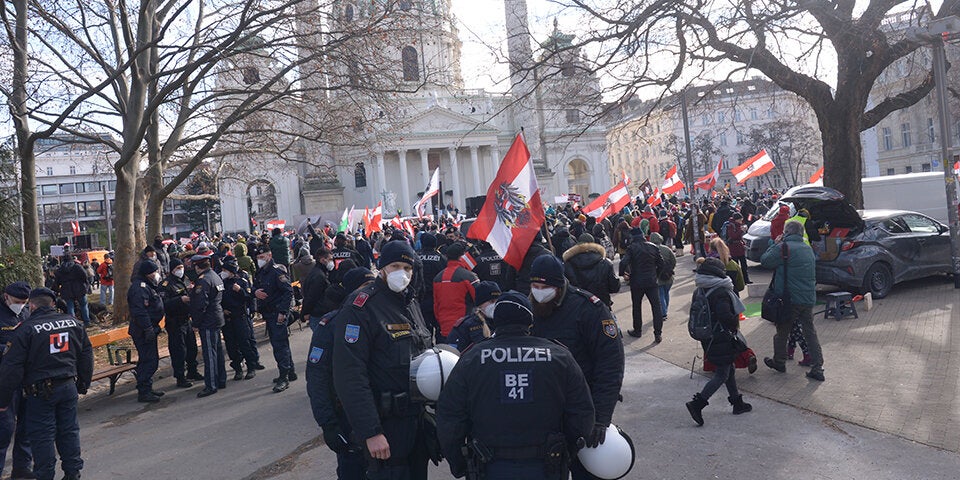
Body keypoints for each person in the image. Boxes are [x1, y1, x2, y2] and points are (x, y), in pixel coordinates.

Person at [436, 291, 595, 480]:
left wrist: (459, 463)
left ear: (497, 320)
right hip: (546, 464)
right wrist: (566, 453)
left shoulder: (472, 358)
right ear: (530, 321)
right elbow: (582, 414)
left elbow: (449, 417)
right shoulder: (559, 356)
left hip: (488, 465)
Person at [333, 240, 434, 480]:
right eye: (395, 266)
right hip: (386, 427)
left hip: (416, 421)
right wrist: (371, 432)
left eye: (407, 268)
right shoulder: (361, 307)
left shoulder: (410, 302)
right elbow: (350, 375)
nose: (402, 273)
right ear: (382, 268)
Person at [527, 255, 625, 480]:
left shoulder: (589, 309)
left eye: (545, 287)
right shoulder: (529, 307)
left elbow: (610, 364)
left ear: (559, 285)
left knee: (588, 472)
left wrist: (601, 417)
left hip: (582, 409)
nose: (539, 292)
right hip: (544, 412)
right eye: (534, 286)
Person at [0, 288, 92, 480]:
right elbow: (86, 355)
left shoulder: (26, 329)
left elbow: (12, 369)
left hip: (40, 392)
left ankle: (45, 474)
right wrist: (83, 384)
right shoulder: (73, 323)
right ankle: (73, 472)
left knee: (42, 436)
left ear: (32, 305)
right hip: (67, 386)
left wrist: (3, 399)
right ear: (52, 304)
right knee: (69, 431)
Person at [305, 267, 376, 480]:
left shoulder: (384, 316)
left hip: (381, 416)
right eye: (366, 287)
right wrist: (328, 424)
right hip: (347, 417)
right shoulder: (332, 325)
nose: (371, 292)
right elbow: (317, 378)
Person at [685, 258, 752, 426]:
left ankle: (737, 403)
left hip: (708, 336)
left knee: (728, 368)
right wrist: (733, 321)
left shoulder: (700, 289)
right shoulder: (720, 291)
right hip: (721, 336)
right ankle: (697, 404)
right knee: (722, 373)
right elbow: (725, 316)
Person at [761, 220, 825, 381]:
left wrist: (774, 244)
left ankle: (779, 361)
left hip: (789, 299)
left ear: (787, 232)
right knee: (810, 333)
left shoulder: (783, 247)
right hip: (808, 297)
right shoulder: (807, 248)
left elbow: (765, 260)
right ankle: (818, 367)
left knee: (782, 333)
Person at [0, 283, 34, 479]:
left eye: (24, 303)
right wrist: (8, 350)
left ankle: (21, 468)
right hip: (4, 378)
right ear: (7, 297)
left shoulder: (25, 313)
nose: (20, 306)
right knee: (4, 429)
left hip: (25, 377)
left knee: (26, 425)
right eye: (17, 302)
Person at [253, 246, 296, 392]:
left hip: (278, 313)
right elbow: (255, 287)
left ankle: (284, 377)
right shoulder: (261, 272)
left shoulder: (276, 271)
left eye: (262, 257)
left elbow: (288, 291)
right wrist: (255, 292)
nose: (260, 260)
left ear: (269, 256)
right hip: (268, 313)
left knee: (279, 346)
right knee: (280, 343)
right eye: (258, 258)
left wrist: (283, 312)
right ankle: (290, 371)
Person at [159, 258, 202, 388]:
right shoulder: (166, 284)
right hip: (175, 321)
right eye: (178, 268)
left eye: (181, 267)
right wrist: (179, 300)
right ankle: (180, 377)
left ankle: (192, 371)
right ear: (172, 270)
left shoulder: (185, 280)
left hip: (186, 319)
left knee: (192, 347)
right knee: (179, 350)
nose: (181, 270)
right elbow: (163, 304)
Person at [189, 255, 227, 397]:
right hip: (216, 317)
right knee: (217, 350)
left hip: (208, 320)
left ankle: (211, 384)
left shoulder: (203, 280)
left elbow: (200, 305)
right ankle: (221, 379)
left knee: (209, 353)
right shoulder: (215, 276)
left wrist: (196, 323)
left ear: (197, 266)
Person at [127, 261, 166, 403]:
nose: (156, 274)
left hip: (149, 328)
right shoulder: (139, 288)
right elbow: (140, 311)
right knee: (149, 361)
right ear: (147, 273)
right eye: (154, 272)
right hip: (143, 330)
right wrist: (148, 328)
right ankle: (144, 391)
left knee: (149, 360)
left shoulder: (148, 286)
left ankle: (147, 387)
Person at [619, 227, 665, 341]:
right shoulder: (653, 247)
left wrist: (623, 274)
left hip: (637, 281)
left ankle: (637, 330)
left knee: (637, 306)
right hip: (651, 280)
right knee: (656, 307)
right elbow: (662, 264)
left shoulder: (631, 248)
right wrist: (656, 274)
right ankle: (658, 333)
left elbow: (623, 262)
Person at [220, 257, 261, 381]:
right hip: (227, 318)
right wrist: (222, 310)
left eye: (225, 270)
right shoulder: (222, 282)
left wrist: (240, 291)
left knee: (245, 342)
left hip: (240, 316)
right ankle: (237, 368)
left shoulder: (241, 281)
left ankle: (251, 366)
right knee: (231, 345)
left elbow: (249, 296)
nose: (223, 272)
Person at [432, 242, 479, 343]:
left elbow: (436, 306)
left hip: (444, 328)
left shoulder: (438, 277)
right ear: (462, 256)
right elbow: (480, 299)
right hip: (466, 328)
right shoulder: (469, 277)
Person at [562, 233, 620, 308]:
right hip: (602, 306)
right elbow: (614, 287)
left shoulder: (568, 264)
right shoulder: (605, 263)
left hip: (578, 309)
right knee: (609, 320)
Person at [445, 281, 500, 352]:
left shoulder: (505, 323)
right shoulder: (466, 326)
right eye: (491, 301)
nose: (495, 305)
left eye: (497, 301)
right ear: (480, 304)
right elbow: (453, 353)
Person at [301, 248, 334, 331]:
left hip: (319, 312)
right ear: (323, 260)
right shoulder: (319, 276)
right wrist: (304, 313)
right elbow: (312, 297)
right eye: (330, 259)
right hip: (319, 314)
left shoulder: (319, 272)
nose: (331, 262)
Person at [54, 256, 90, 327]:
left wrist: (57, 290)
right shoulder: (77, 267)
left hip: (66, 289)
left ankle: (73, 324)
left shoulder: (60, 270)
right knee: (83, 305)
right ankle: (87, 322)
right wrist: (86, 285)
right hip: (79, 288)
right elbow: (84, 276)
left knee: (70, 307)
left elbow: (57, 282)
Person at [649, 232, 676, 320]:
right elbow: (673, 260)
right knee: (666, 293)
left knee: (660, 295)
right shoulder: (667, 249)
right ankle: (665, 310)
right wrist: (670, 269)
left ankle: (663, 313)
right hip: (668, 275)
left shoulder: (650, 250)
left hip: (657, 276)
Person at [724, 213, 751, 284]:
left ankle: (746, 279)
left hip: (739, 246)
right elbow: (733, 236)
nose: (741, 221)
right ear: (737, 219)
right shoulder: (731, 226)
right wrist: (741, 231)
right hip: (734, 247)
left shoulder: (737, 225)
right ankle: (737, 281)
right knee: (736, 266)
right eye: (740, 220)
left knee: (744, 264)